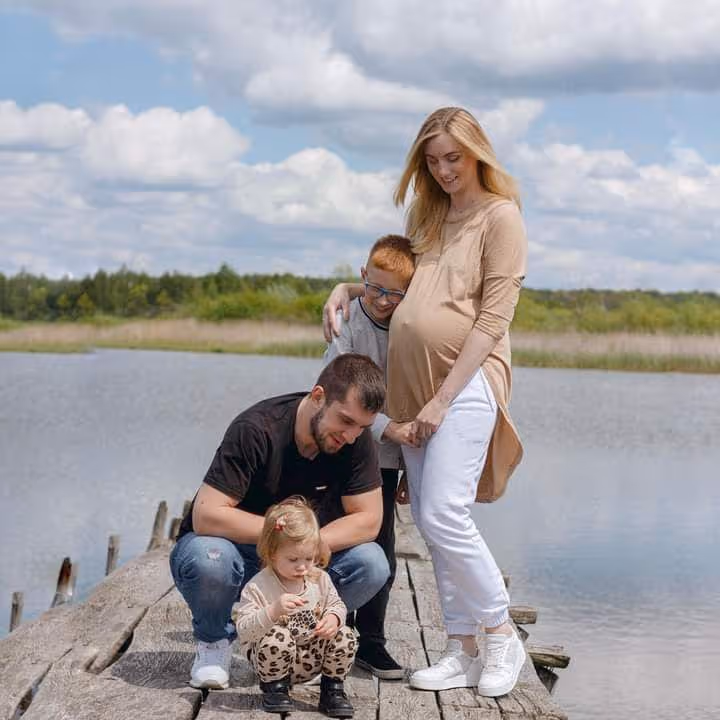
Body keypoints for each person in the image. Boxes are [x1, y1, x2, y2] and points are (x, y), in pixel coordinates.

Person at [323, 107, 528, 697]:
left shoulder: (500, 217)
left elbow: (492, 319)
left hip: (464, 381)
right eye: (432, 160)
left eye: (453, 158)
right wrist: (347, 287)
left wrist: (442, 399)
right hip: (411, 392)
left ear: (478, 154)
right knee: (433, 527)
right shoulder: (427, 215)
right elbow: (399, 284)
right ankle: (462, 650)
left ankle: (500, 633)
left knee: (443, 514)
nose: (443, 170)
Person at [170, 353, 391, 691]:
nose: (350, 436)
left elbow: (369, 520)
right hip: (238, 554)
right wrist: (285, 536)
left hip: (302, 564)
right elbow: (206, 514)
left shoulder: (355, 440)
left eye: (361, 427)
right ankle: (214, 643)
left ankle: (303, 643)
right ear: (318, 396)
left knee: (372, 563)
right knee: (208, 558)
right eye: (345, 421)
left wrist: (308, 544)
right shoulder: (256, 428)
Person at [324, 234, 416, 680]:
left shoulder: (410, 328)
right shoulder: (347, 321)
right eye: (375, 288)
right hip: (343, 449)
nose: (383, 300)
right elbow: (336, 387)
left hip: (385, 460)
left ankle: (371, 642)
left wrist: (407, 467)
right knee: (337, 541)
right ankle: (327, 631)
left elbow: (414, 397)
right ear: (363, 276)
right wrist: (387, 429)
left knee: (382, 550)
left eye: (395, 293)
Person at [236, 497, 356, 718]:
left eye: (309, 558)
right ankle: (275, 689)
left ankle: (332, 690)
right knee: (277, 636)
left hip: (310, 658)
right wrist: (273, 611)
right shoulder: (259, 586)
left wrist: (334, 618)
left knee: (345, 634)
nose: (302, 567)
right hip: (271, 661)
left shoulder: (319, 579)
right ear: (272, 553)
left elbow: (337, 604)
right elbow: (243, 630)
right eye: (293, 559)